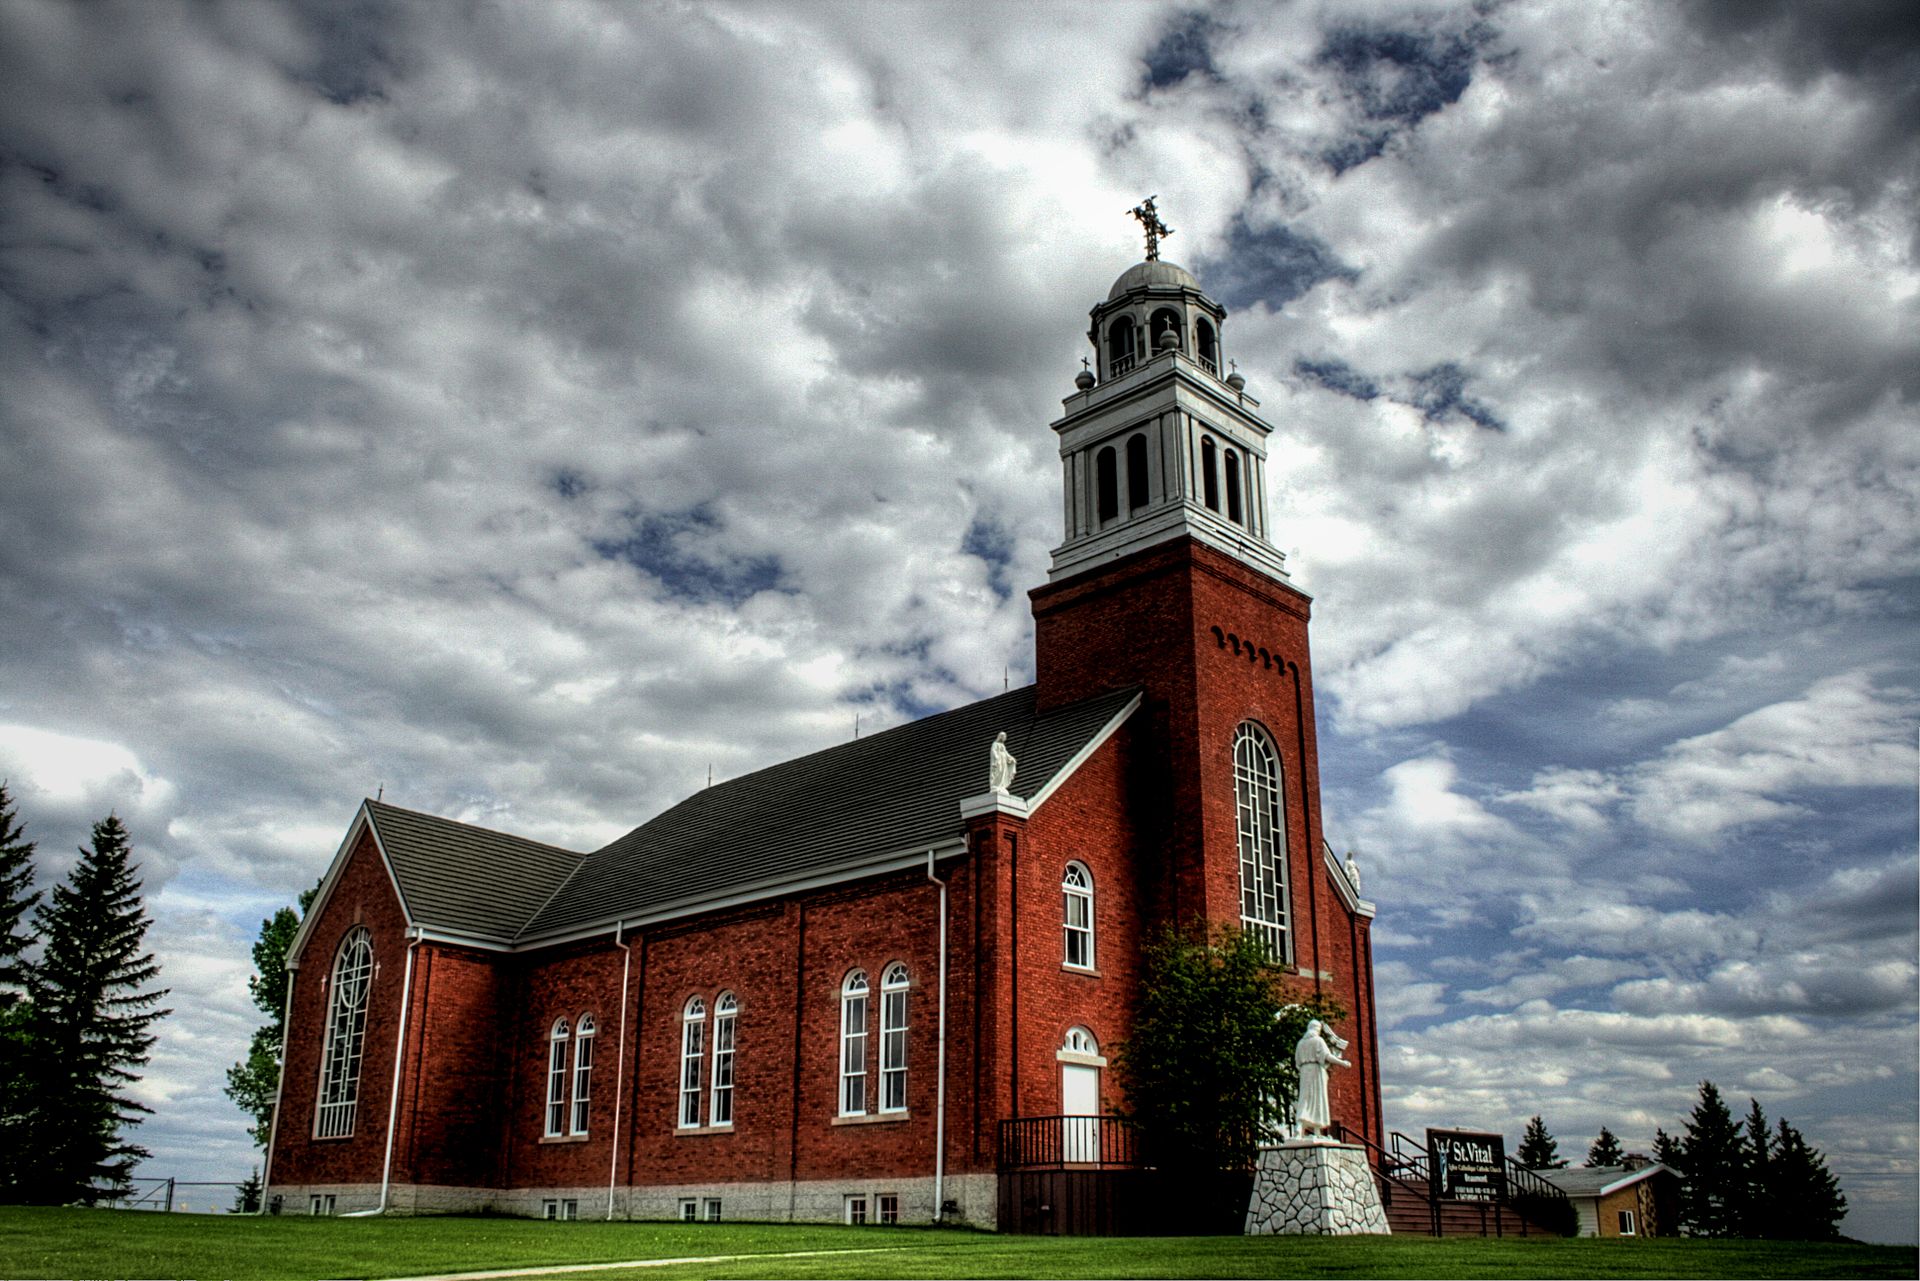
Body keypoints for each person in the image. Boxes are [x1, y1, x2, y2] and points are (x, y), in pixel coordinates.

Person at [1293, 1018, 1351, 1139]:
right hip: (1316, 1071)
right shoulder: (1318, 1041)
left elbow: (1297, 1062)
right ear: (1317, 1029)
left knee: (1305, 1099)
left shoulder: (1300, 1043)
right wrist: (1342, 1063)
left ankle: (1309, 1130)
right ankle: (1310, 1129)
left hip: (1304, 1072)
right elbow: (1327, 1056)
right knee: (1317, 1100)